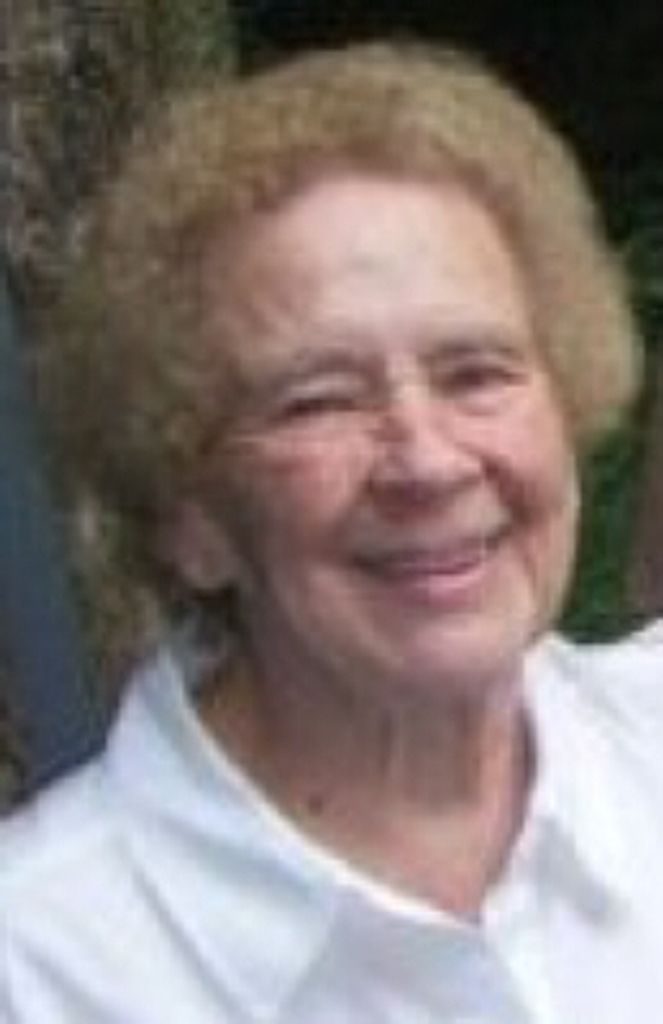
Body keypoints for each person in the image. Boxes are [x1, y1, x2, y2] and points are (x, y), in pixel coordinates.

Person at [0, 40, 659, 1023]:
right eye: (317, 401)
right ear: (189, 516)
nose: (428, 461)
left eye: (476, 373)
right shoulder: (42, 968)